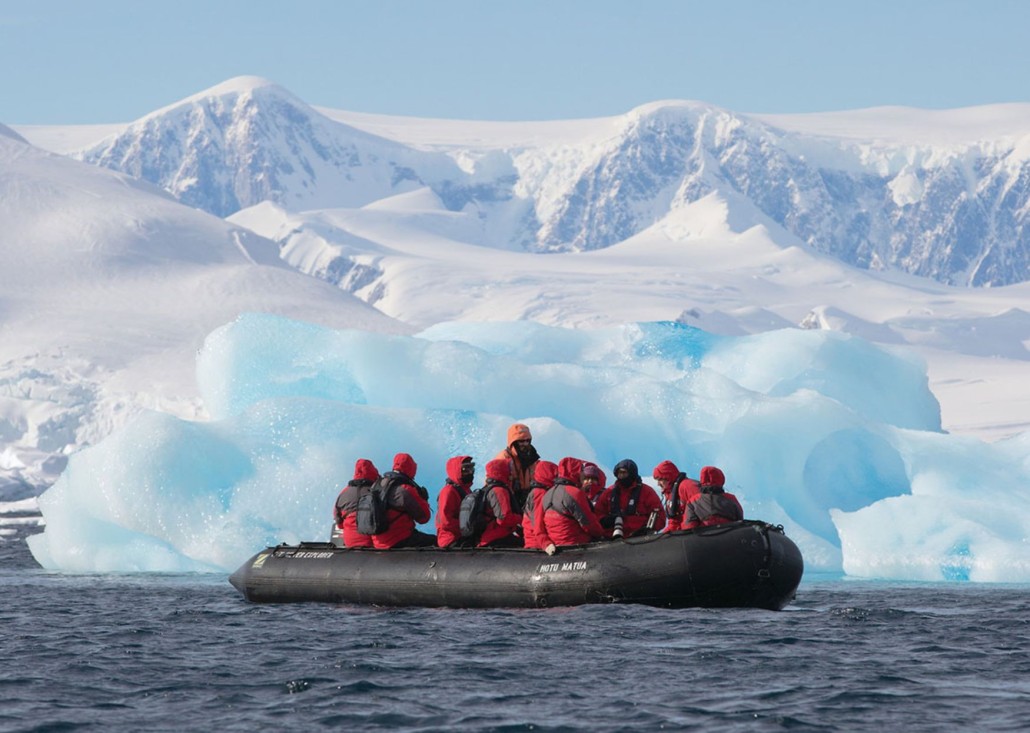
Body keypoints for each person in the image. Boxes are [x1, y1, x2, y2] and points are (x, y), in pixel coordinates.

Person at [371, 452, 437, 549]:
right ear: (411, 469)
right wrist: (424, 500)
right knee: (435, 541)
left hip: (378, 542)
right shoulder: (404, 490)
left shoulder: (377, 485)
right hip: (398, 540)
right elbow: (424, 518)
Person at [539, 457, 605, 547]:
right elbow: (588, 523)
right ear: (575, 472)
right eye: (581, 470)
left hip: (556, 544)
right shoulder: (575, 493)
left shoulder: (548, 494)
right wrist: (601, 533)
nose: (583, 474)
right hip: (576, 542)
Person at [594, 459, 666, 538]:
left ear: (632, 473)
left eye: (624, 473)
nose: (621, 476)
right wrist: (606, 521)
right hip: (611, 539)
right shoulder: (609, 493)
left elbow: (660, 517)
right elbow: (596, 515)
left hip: (640, 540)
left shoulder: (646, 492)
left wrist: (646, 529)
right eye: (619, 473)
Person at [331, 458, 380, 548]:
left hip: (350, 543)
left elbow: (339, 523)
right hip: (372, 544)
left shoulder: (343, 493)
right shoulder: (377, 493)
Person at [478, 458, 523, 547]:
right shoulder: (499, 491)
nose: (511, 471)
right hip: (496, 537)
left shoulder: (488, 489)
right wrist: (522, 518)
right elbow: (504, 518)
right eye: (508, 468)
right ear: (502, 470)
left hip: (490, 537)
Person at [495, 422, 540, 509]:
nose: (525, 444)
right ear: (513, 442)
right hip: (509, 501)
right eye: (521, 441)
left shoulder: (532, 457)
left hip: (527, 501)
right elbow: (493, 484)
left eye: (528, 441)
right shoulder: (503, 458)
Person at [683, 465, 744, 530]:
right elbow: (740, 520)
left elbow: (689, 526)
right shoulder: (731, 498)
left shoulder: (693, 501)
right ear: (721, 479)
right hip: (730, 534)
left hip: (704, 537)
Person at [436, 455, 475, 548]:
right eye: (465, 469)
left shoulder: (466, 490)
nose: (470, 473)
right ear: (457, 470)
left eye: (471, 468)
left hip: (463, 536)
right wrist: (468, 528)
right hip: (450, 539)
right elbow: (445, 521)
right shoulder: (448, 491)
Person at [652, 460, 701, 533]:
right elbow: (674, 522)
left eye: (660, 479)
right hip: (686, 534)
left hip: (698, 532)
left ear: (667, 477)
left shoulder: (687, 486)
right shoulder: (671, 495)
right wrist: (662, 537)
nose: (658, 484)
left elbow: (703, 507)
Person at [522, 460, 558, 551]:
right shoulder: (540, 493)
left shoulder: (539, 492)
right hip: (537, 544)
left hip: (536, 542)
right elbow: (537, 522)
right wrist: (546, 544)